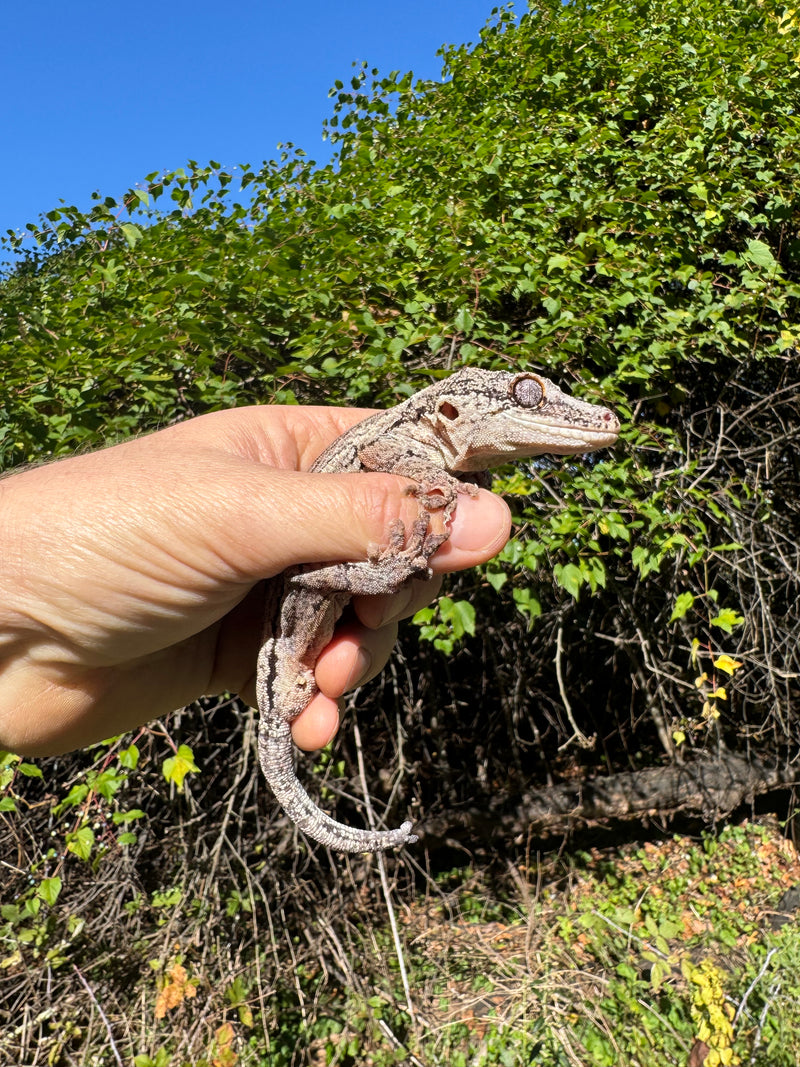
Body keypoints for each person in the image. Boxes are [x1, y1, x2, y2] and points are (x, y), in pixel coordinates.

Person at [0, 402, 512, 756]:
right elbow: (323, 569)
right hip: (288, 620)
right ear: (450, 411)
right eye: (526, 395)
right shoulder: (404, 440)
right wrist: (396, 543)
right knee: (346, 604)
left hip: (260, 636)